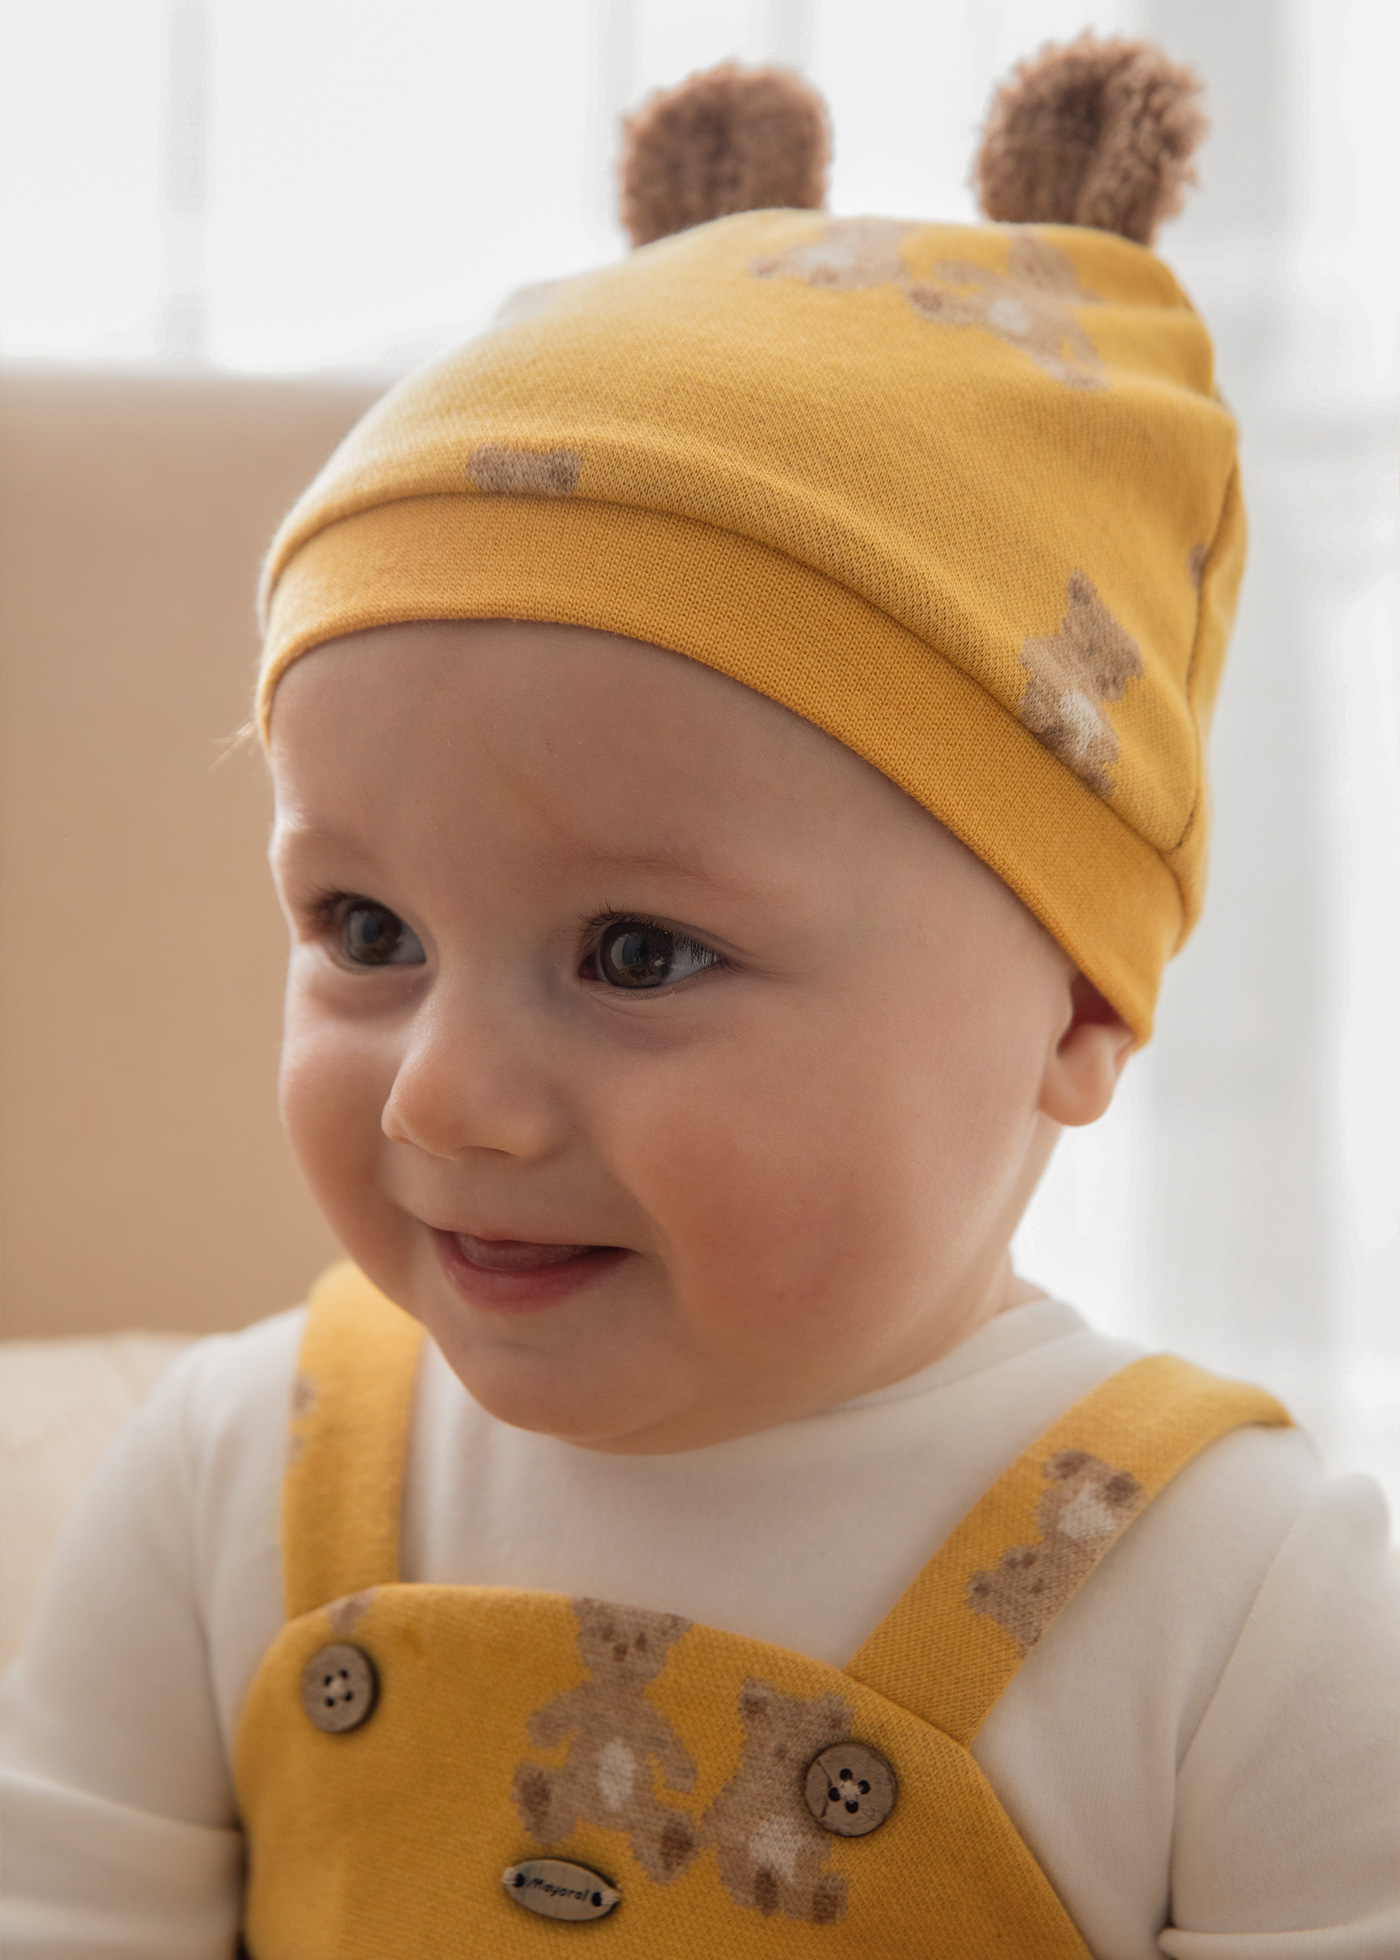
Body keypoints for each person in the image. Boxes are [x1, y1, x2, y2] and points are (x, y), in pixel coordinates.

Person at [3, 38, 1396, 1960]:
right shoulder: (226, 1491)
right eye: (364, 929)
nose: (440, 1102)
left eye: (637, 954)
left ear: (1076, 1002)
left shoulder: (1245, 1612)